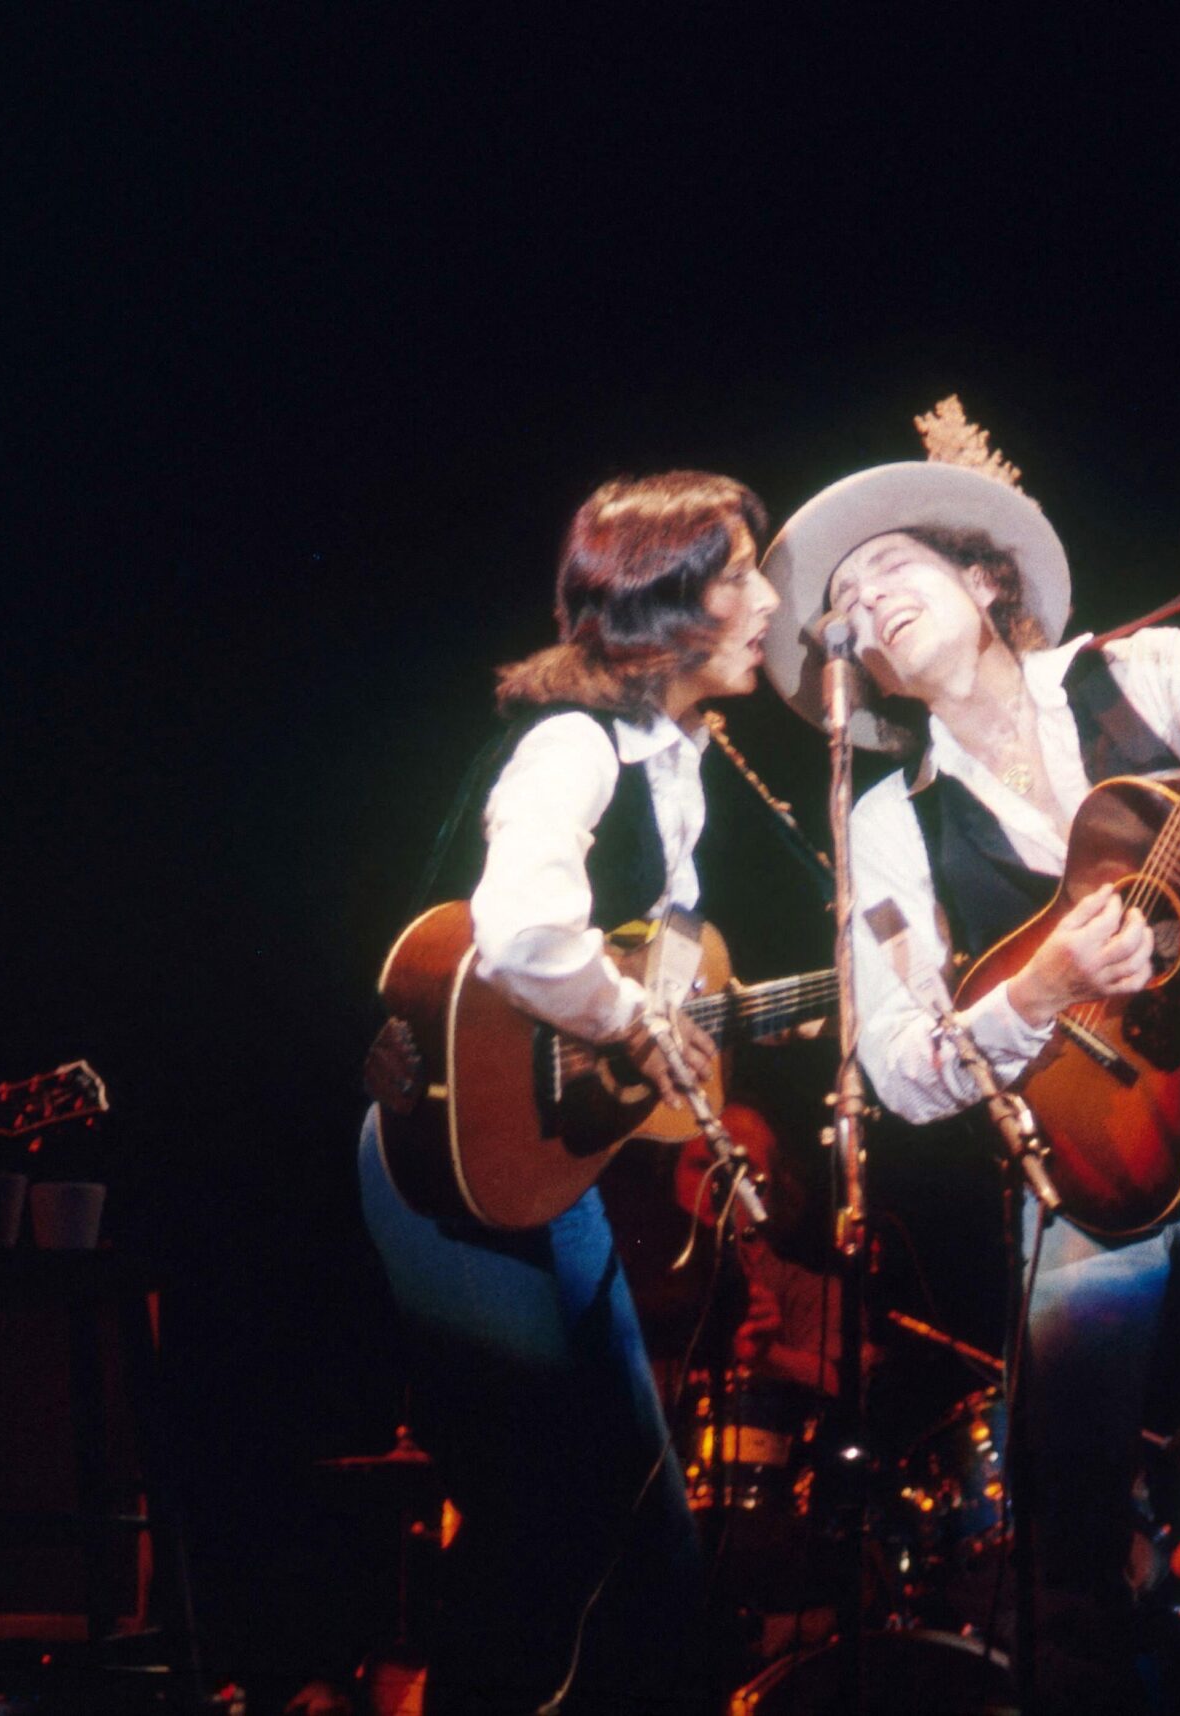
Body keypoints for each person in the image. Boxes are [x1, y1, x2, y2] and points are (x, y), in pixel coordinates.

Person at [757, 402, 1180, 1715]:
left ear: (985, 580)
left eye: (893, 569)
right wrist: (1039, 988)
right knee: (1065, 1499)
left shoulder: (1144, 673)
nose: (867, 604)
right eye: (847, 603)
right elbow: (899, 1068)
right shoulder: (889, 821)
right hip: (1081, 1159)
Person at [356, 471, 782, 1715]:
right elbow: (525, 929)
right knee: (548, 1525)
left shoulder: (680, 761)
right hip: (446, 1172)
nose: (768, 600)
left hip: (538, 1170)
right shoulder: (575, 742)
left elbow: (617, 981)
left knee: (637, 1538)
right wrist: (635, 1020)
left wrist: (670, 1036)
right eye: (742, 574)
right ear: (668, 603)